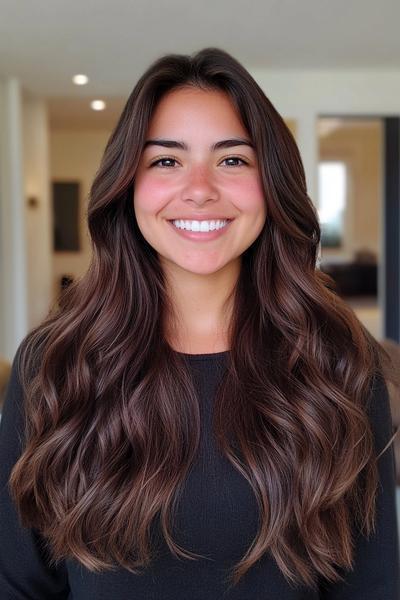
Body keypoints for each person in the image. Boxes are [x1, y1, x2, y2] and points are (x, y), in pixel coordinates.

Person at [0, 47, 399, 600]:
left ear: (271, 183)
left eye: (232, 160)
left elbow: (372, 586)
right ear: (128, 184)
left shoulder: (337, 361)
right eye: (166, 160)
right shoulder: (55, 361)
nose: (200, 188)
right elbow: (20, 583)